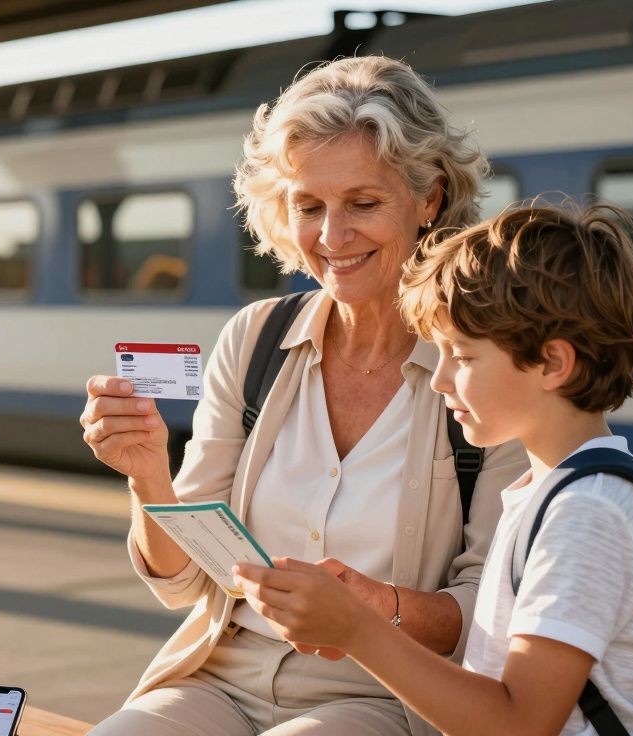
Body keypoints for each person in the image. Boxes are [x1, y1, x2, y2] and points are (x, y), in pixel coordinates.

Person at [80, 56, 528, 735]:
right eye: (308, 206)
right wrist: (149, 477)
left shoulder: (482, 364)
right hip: (221, 678)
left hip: (385, 695)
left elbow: (488, 610)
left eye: (364, 203)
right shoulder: (255, 339)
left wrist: (370, 608)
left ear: (429, 199)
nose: (331, 236)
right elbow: (186, 582)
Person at [233, 201, 633, 736]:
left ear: (554, 363)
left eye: (462, 358)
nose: (438, 379)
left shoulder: (589, 514)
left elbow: (520, 724)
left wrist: (357, 629)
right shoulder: (547, 490)